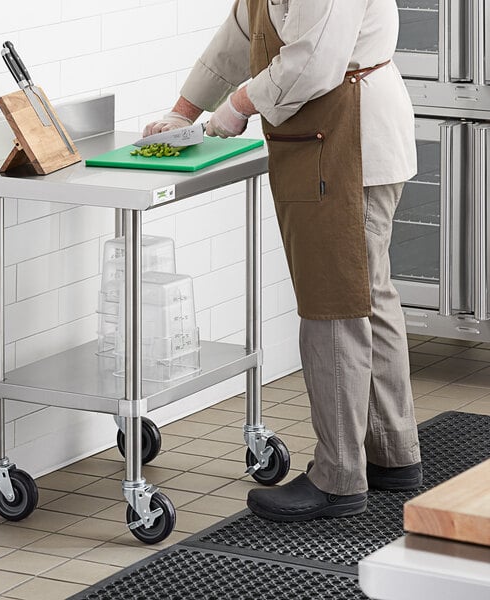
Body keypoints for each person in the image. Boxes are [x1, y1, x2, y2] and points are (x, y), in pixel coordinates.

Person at [144, 0, 422, 522]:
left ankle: (338, 477)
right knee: (367, 294)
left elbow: (312, 61)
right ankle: (392, 453)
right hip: (334, 142)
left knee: (333, 306)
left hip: (350, 143)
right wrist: (183, 111)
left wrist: (237, 106)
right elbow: (239, 36)